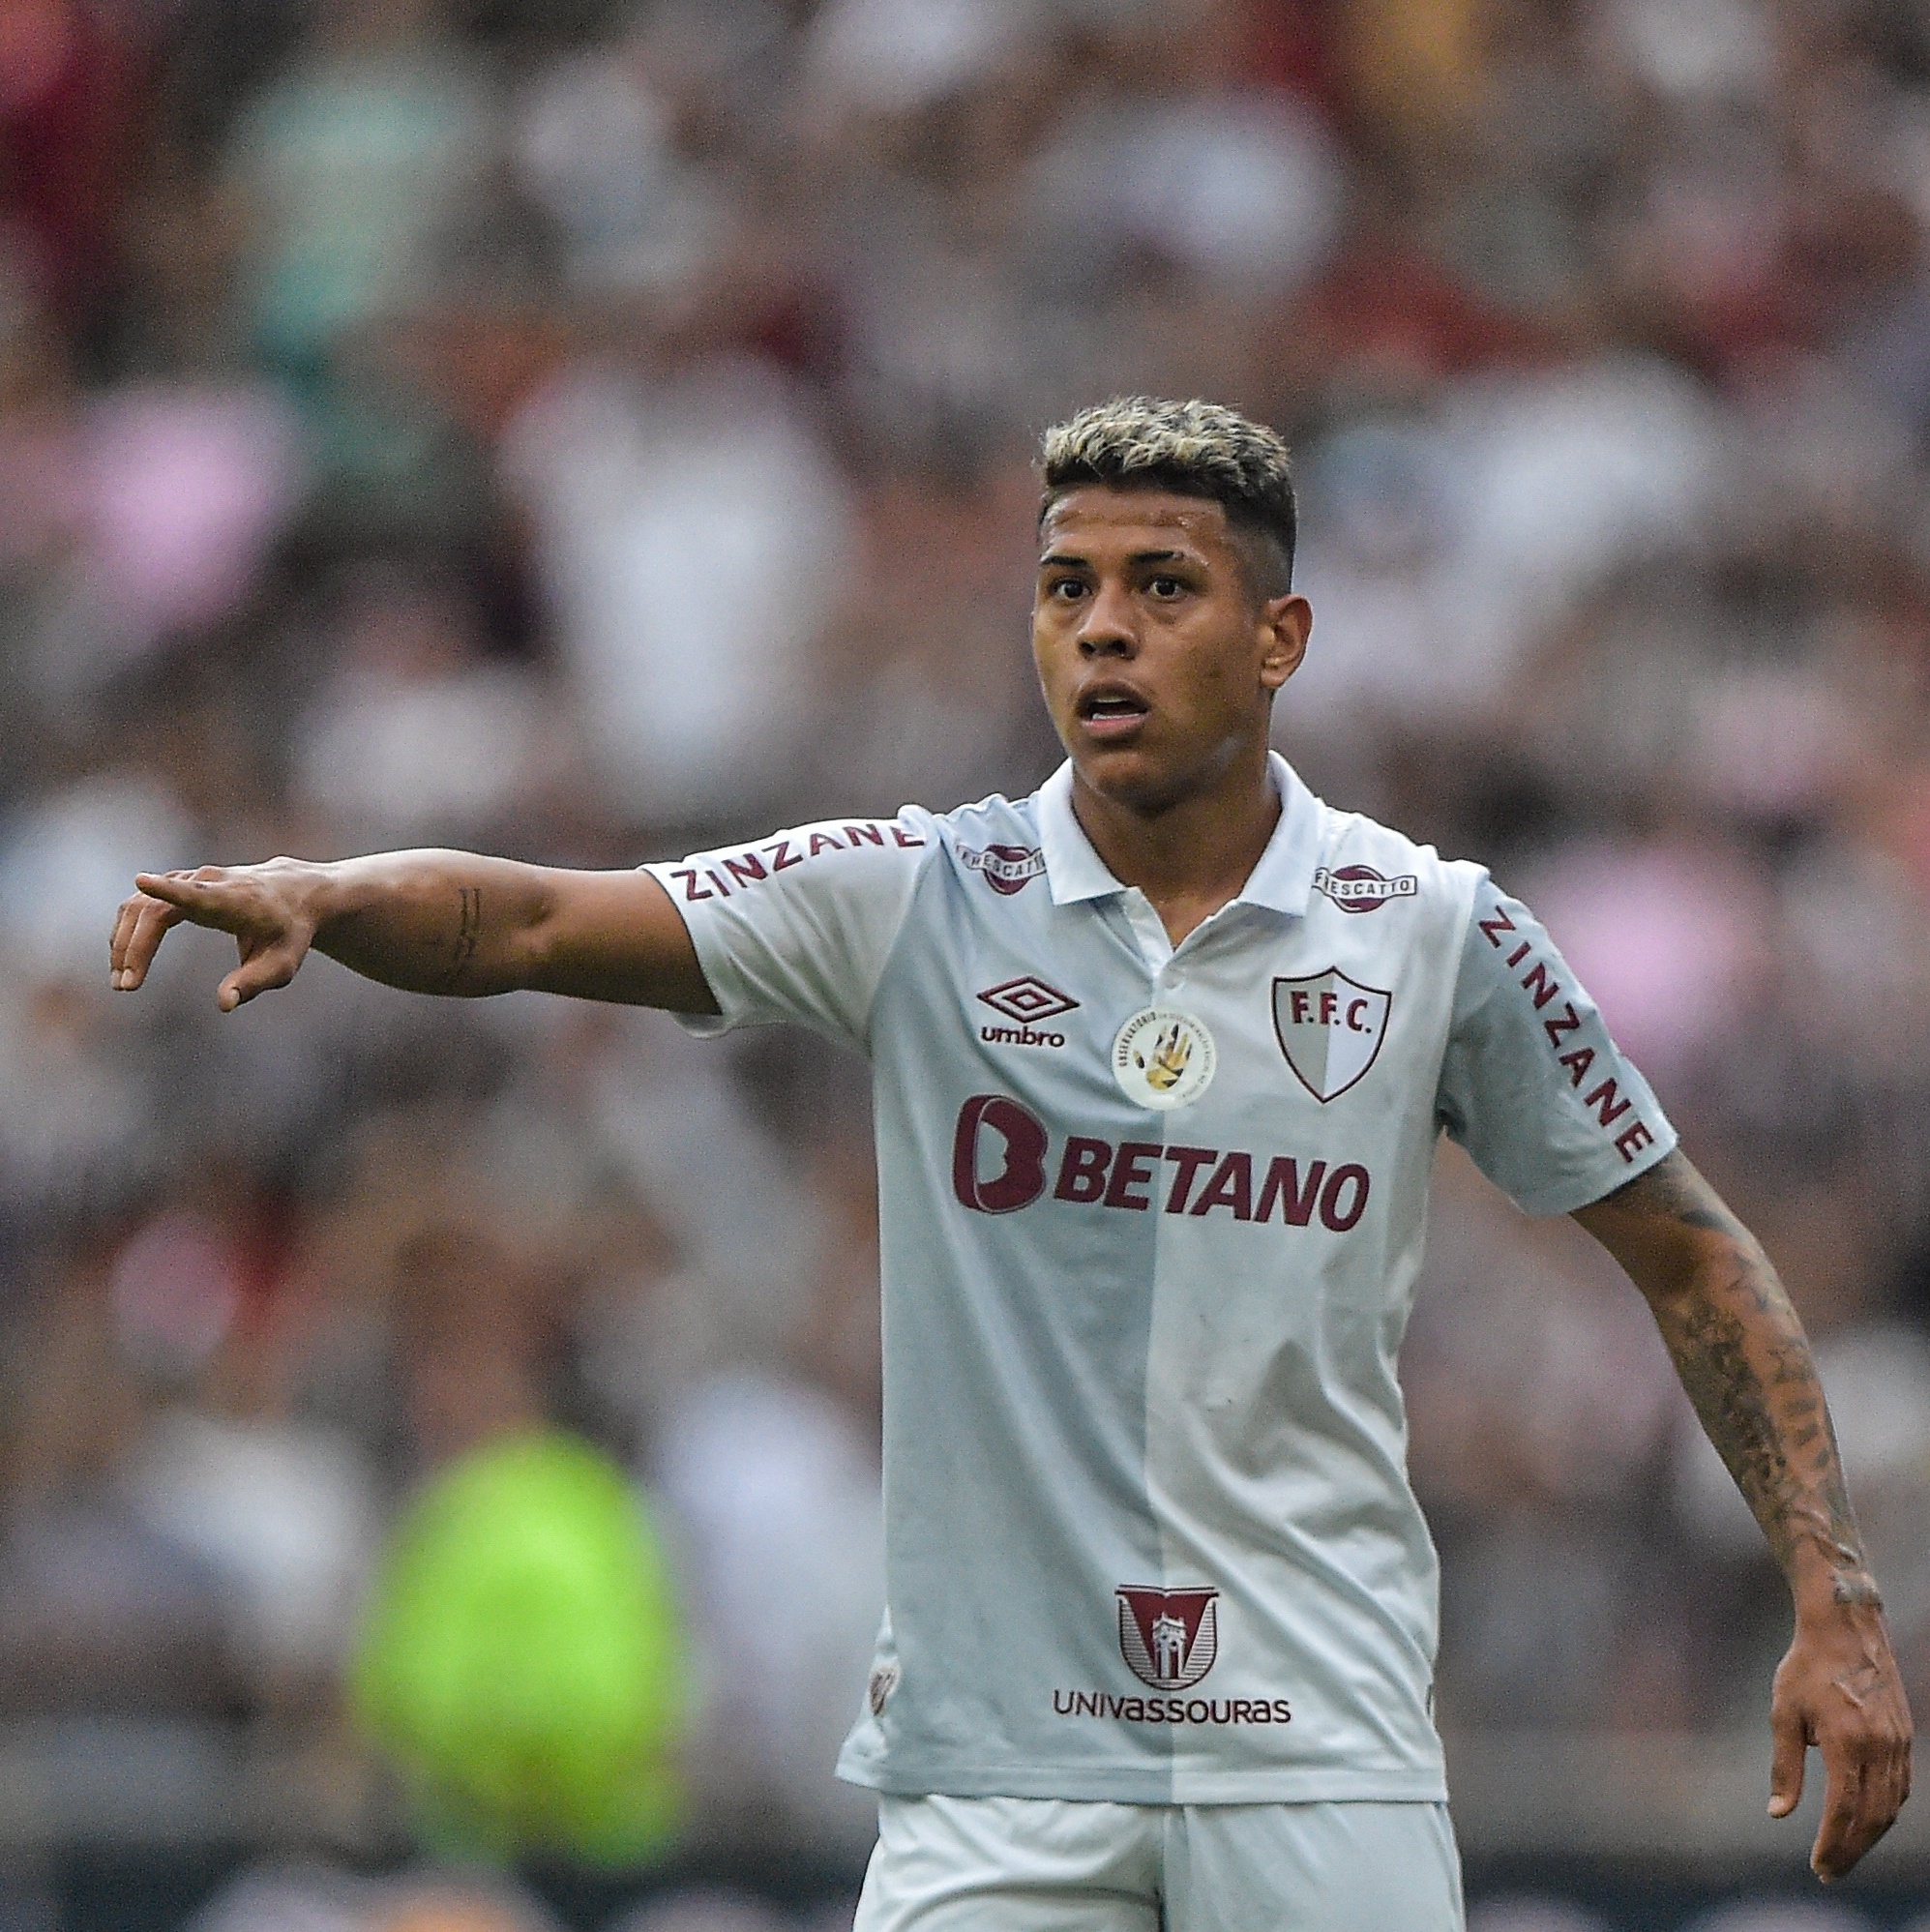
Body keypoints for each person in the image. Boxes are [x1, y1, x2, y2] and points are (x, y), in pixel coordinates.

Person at [110, 398, 1911, 1928]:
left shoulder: (1434, 933)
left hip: (1319, 1741)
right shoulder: (919, 895)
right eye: (1067, 589)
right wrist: (333, 894)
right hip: (998, 1770)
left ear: (1279, 637)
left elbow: (1691, 1251)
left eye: (1161, 587)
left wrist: (1833, 1594)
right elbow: (529, 920)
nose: (1102, 630)